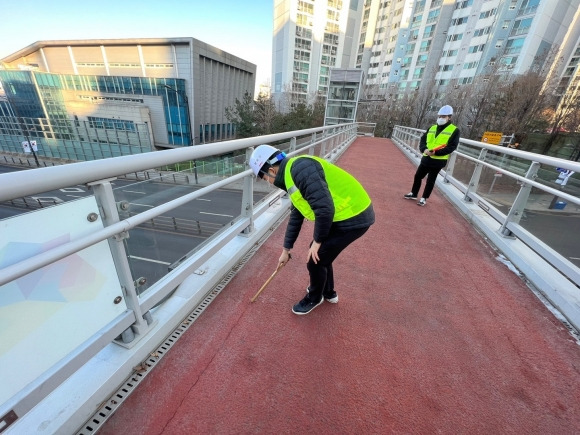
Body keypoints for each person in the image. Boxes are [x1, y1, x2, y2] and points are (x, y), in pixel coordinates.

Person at [249, 145, 375, 315]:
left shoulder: (300, 170)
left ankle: (315, 298)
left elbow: (324, 209)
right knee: (322, 254)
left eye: (265, 179)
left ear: (271, 170)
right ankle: (328, 292)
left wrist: (317, 242)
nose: (268, 183)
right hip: (344, 213)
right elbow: (296, 216)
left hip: (354, 215)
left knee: (315, 258)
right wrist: (286, 250)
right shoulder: (291, 175)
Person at [404, 105, 460, 206]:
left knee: (430, 180)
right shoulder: (432, 127)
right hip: (426, 158)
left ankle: (424, 198)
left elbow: (452, 147)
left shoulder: (454, 130)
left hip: (438, 160)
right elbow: (423, 139)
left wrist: (436, 152)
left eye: (443, 116)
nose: (441, 118)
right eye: (439, 116)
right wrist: (424, 149)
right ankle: (414, 193)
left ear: (449, 117)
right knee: (418, 176)